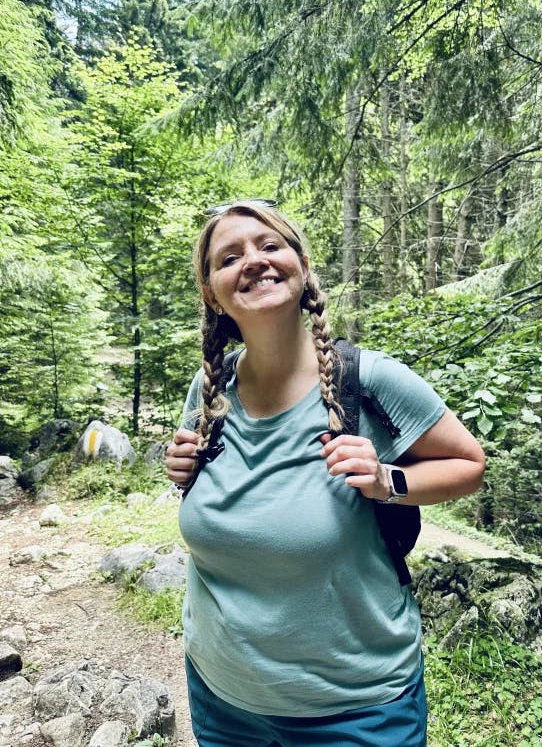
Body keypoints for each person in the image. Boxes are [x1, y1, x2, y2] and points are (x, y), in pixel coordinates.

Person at [165, 199, 486, 747]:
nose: (254, 261)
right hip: (222, 695)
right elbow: (207, 481)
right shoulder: (210, 386)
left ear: (302, 265)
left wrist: (389, 481)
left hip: (355, 707)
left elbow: (469, 465)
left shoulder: (370, 378)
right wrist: (179, 467)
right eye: (230, 256)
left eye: (271, 246)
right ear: (211, 292)